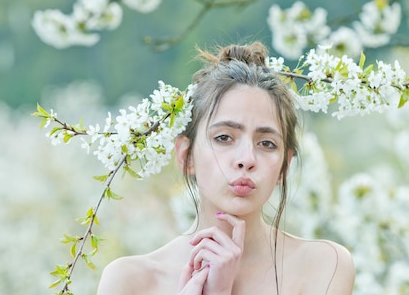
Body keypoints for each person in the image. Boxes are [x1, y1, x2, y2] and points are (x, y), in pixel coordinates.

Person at [97, 42, 355, 295]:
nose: (246, 159)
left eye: (266, 143)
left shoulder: (324, 266)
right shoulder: (129, 282)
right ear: (186, 156)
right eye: (223, 138)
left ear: (284, 167)